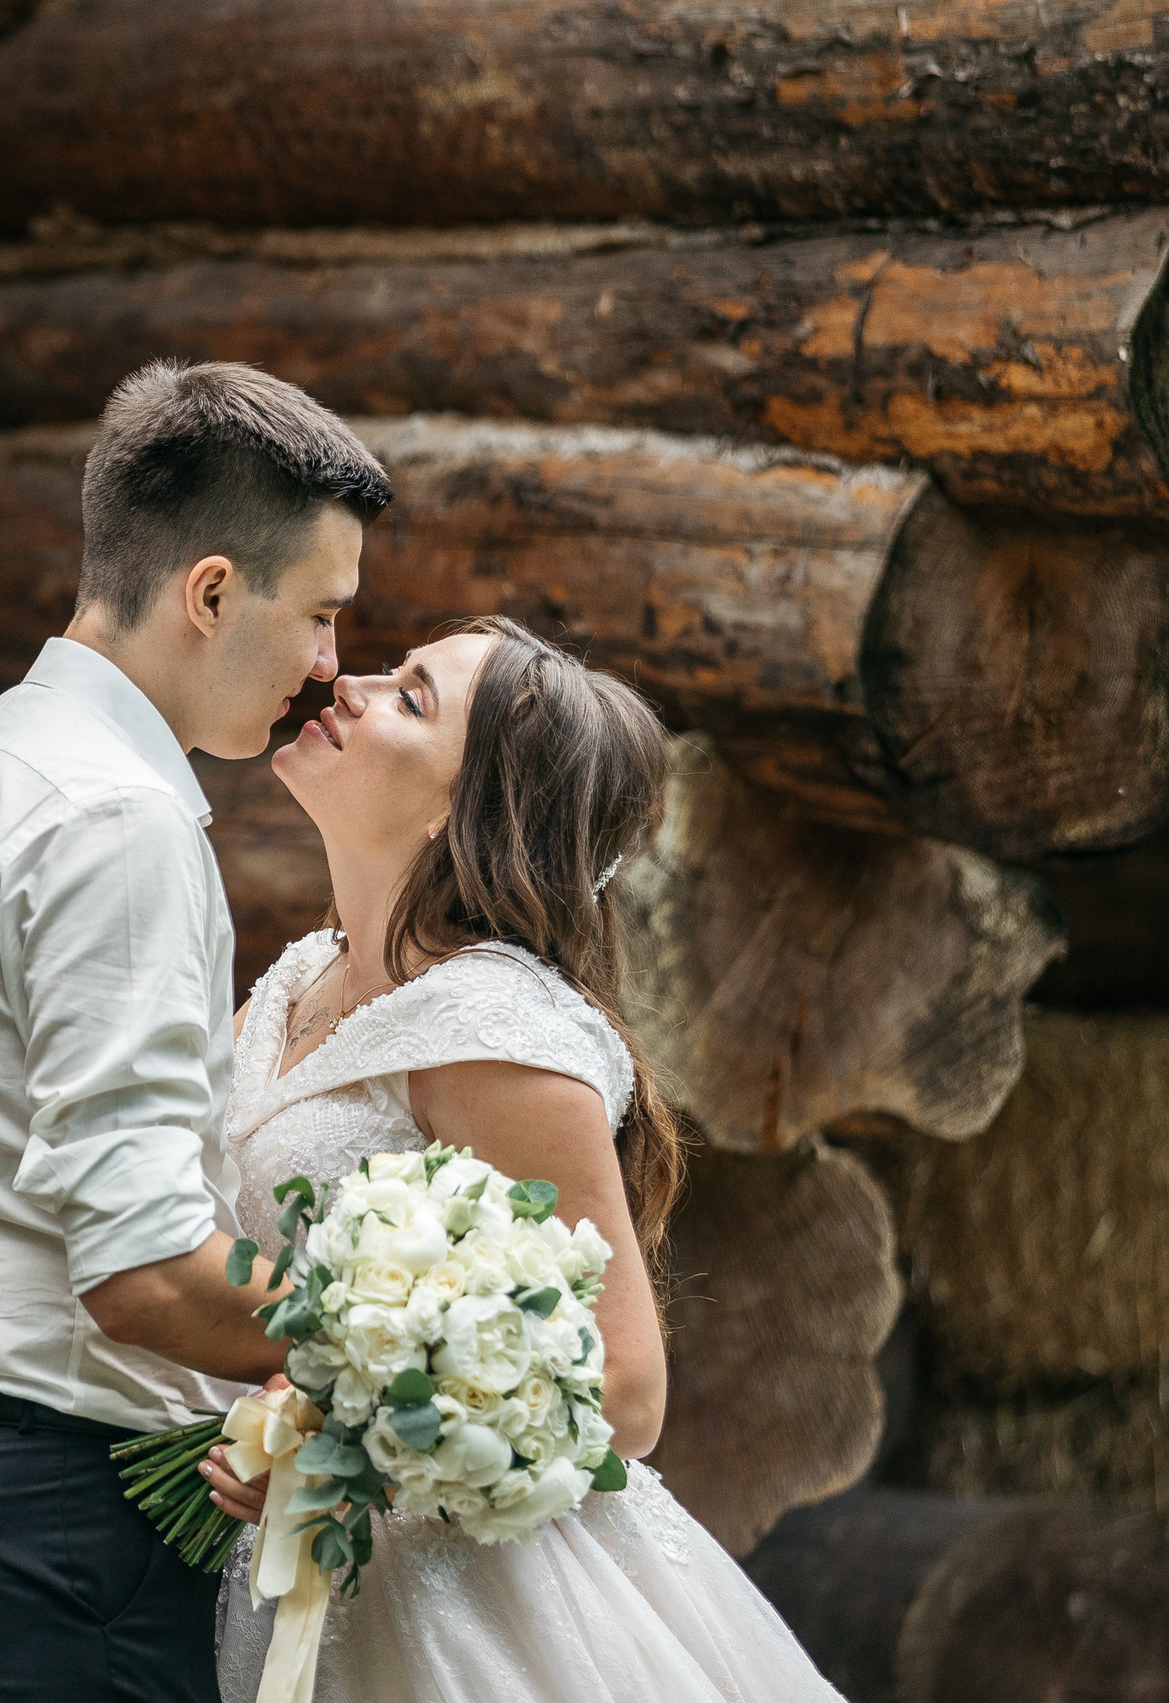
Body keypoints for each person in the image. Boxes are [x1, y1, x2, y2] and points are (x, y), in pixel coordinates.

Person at [0, 360, 395, 1702]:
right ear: (210, 594)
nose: (328, 666)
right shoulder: (115, 814)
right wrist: (415, 1349)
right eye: (319, 614)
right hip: (46, 1530)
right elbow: (141, 1271)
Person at [201, 617, 848, 1701]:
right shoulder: (295, 984)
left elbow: (626, 1390)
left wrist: (354, 1456)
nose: (352, 685)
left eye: (410, 697)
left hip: (460, 1606)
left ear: (464, 811)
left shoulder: (488, 1027)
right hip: (287, 1561)